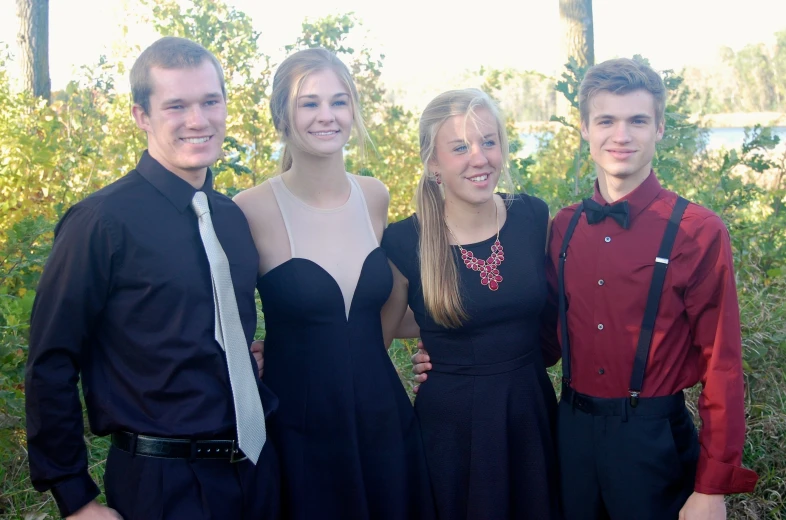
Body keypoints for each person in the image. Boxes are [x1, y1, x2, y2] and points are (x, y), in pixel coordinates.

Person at [414, 59, 759, 519]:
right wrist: (454, 354)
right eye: (607, 121)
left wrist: (712, 488)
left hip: (651, 440)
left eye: (638, 120)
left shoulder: (697, 231)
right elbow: (544, 338)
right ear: (584, 128)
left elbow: (723, 365)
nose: (622, 135)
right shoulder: (563, 226)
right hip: (569, 435)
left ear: (659, 128)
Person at [25, 37, 280, 520]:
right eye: (176, 106)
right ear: (141, 115)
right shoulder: (100, 222)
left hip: (256, 474)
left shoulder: (230, 218)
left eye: (210, 101)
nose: (197, 120)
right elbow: (51, 360)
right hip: (162, 486)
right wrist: (75, 497)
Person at [232, 48, 434, 520]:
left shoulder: (374, 195)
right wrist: (248, 357)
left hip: (382, 421)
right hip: (299, 433)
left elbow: (384, 313)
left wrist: (451, 348)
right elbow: (222, 316)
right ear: (282, 113)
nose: (327, 116)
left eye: (339, 101)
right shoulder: (248, 208)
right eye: (309, 103)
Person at [380, 88, 562, 519]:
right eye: (460, 147)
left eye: (488, 142)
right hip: (451, 427)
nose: (479, 158)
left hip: (529, 413)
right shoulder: (405, 241)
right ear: (433, 163)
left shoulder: (533, 217)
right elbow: (377, 337)